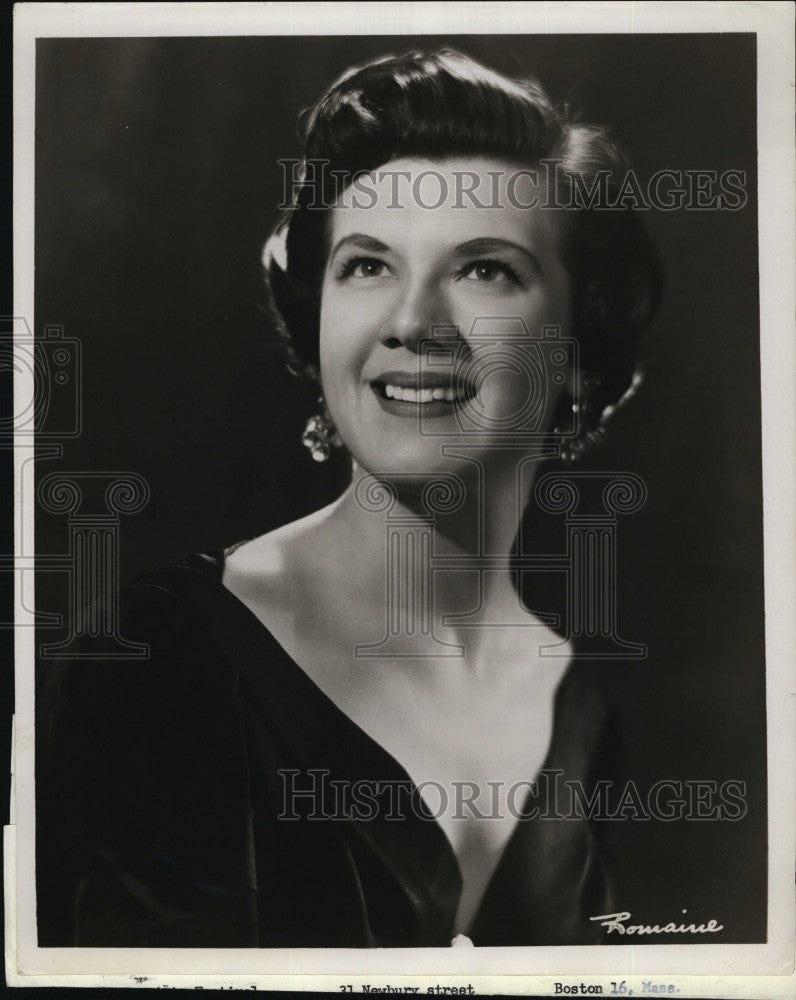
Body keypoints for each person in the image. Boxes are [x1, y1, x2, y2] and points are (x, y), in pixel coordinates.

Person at [36, 50, 661, 948]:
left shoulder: (584, 712)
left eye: (485, 270)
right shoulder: (149, 664)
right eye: (367, 266)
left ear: (575, 344)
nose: (411, 322)